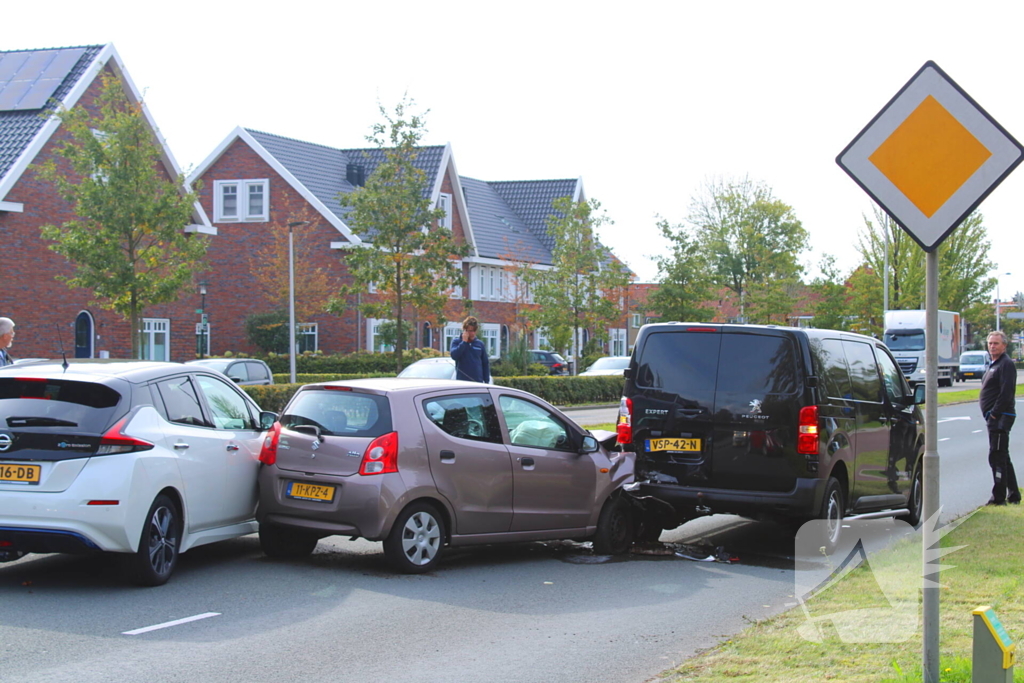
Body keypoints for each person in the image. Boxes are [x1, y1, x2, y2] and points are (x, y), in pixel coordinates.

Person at [980, 330, 1019, 505]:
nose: (992, 346)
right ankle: (1014, 494)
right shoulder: (993, 364)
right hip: (994, 418)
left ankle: (998, 497)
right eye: (990, 343)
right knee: (1002, 455)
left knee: (996, 456)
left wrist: (994, 413)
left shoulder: (1006, 364)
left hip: (1001, 417)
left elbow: (1006, 392)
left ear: (1004, 345)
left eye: (996, 343)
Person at [450, 316, 490, 383]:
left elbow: (485, 363)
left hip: (478, 382)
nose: (473, 333)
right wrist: (464, 343)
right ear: (465, 330)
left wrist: (486, 381)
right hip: (462, 382)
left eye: (474, 331)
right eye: (470, 331)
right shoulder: (456, 342)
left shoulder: (480, 344)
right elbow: (454, 356)